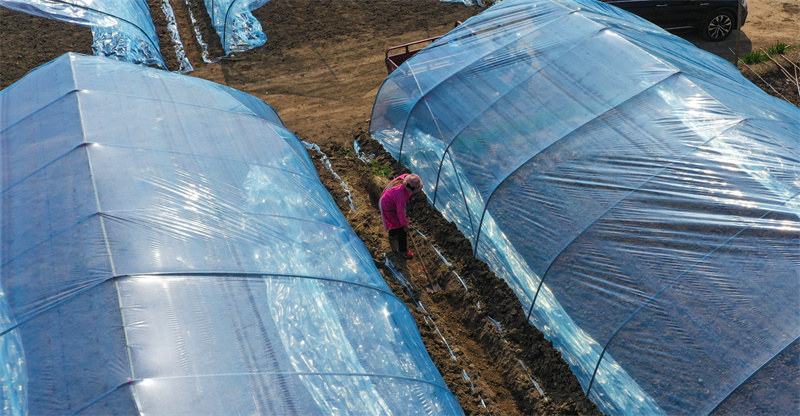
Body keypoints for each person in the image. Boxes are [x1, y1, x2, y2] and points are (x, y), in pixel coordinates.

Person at [380, 173, 423, 259]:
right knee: (401, 228)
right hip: (389, 207)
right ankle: (402, 250)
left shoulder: (406, 178)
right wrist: (405, 224)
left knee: (396, 222)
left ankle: (392, 234)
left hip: (388, 200)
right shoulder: (401, 195)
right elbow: (400, 211)